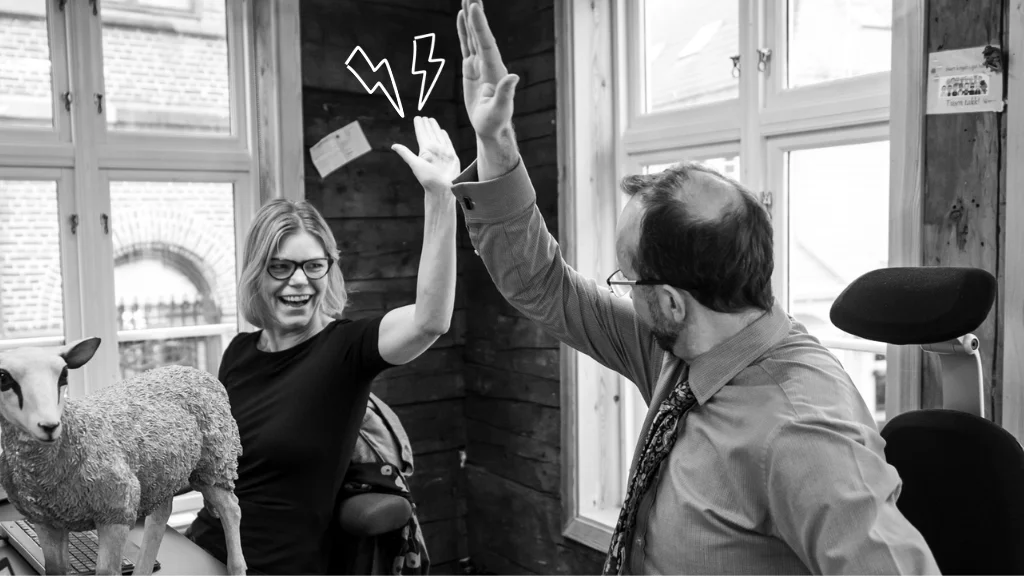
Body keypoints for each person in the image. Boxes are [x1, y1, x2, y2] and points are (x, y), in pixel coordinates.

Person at [450, 1, 940, 574]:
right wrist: (496, 143)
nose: (623, 292)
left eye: (627, 279)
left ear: (669, 301)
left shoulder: (803, 430)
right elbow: (545, 285)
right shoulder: (679, 347)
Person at [186, 116, 460, 575]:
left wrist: (440, 196)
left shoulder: (345, 349)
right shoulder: (238, 352)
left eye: (314, 266)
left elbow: (430, 320)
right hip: (203, 550)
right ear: (258, 271)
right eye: (282, 267)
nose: (299, 281)